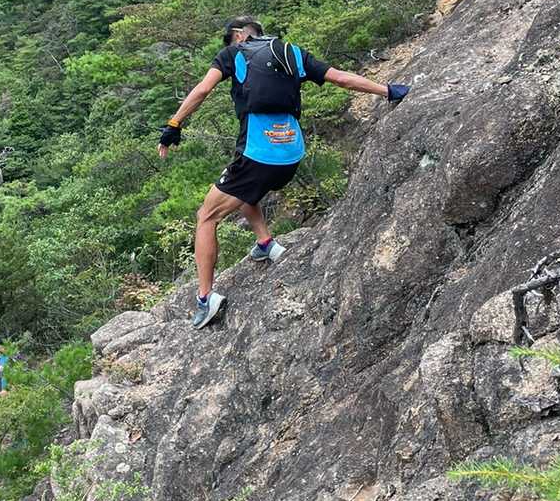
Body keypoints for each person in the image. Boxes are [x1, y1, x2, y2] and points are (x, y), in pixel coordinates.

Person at [158, 16, 411, 327]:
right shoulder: (291, 51)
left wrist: (174, 124)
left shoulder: (234, 53)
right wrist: (389, 90)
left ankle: (205, 298)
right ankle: (267, 244)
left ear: (237, 35)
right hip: (291, 154)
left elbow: (202, 90)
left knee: (206, 216)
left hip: (258, 153)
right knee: (245, 191)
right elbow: (341, 78)